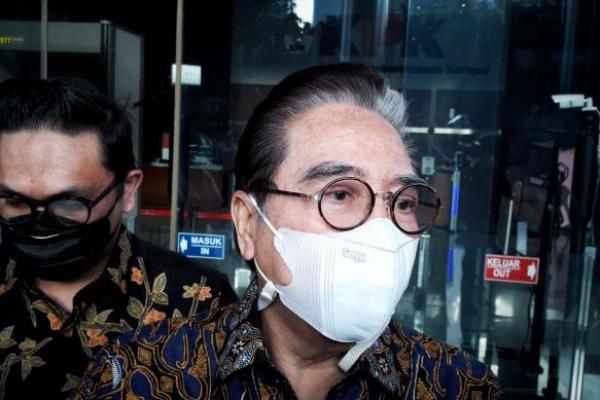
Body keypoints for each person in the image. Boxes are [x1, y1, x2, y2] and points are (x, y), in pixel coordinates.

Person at [75, 63, 505, 399]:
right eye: (340, 194)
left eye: (403, 203)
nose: (381, 228)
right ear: (248, 223)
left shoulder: (460, 386)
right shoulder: (143, 376)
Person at [0, 77, 237, 399]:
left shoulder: (202, 301)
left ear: (127, 190)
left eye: (69, 203)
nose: (40, 222)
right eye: (15, 201)